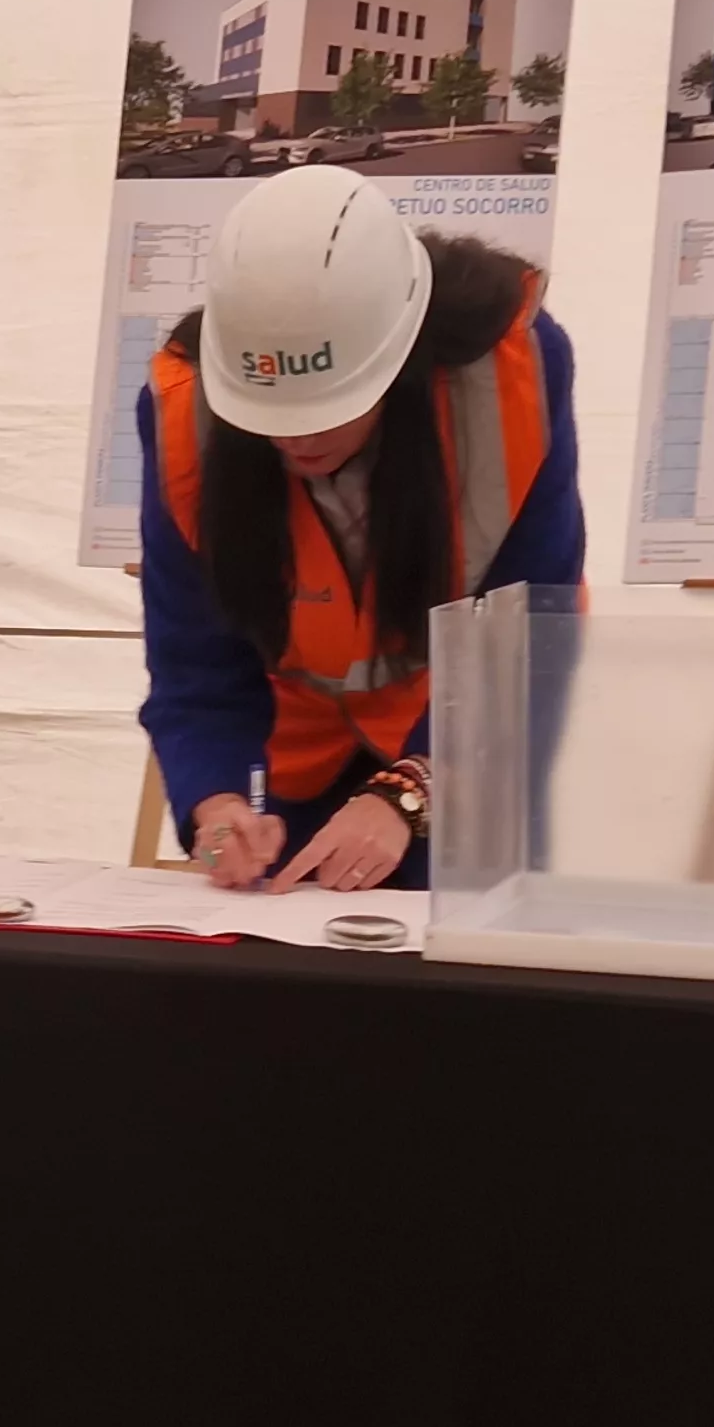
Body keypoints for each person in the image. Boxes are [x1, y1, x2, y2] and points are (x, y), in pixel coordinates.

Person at [137, 165, 584, 895]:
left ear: (399, 353)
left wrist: (410, 790)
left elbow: (531, 631)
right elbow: (196, 665)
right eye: (269, 417)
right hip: (291, 756)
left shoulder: (515, 374)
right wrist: (215, 803)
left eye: (324, 409)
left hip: (469, 737)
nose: (295, 443)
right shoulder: (186, 414)